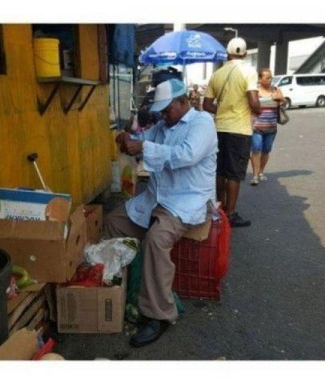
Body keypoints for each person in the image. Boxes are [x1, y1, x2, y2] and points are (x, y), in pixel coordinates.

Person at [106, 78, 217, 347]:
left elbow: (185, 155)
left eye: (167, 109)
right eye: (162, 111)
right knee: (114, 222)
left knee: (156, 238)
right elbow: (143, 139)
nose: (163, 115)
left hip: (185, 202)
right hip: (157, 198)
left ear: (183, 102)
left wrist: (143, 147)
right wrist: (128, 139)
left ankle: (158, 314)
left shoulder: (202, 123)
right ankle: (119, 287)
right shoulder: (162, 126)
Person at [202, 37, 260, 227]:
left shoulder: (217, 74)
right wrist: (258, 109)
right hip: (239, 130)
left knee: (220, 171)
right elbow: (253, 101)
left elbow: (207, 104)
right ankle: (232, 213)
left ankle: (221, 207)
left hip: (219, 129)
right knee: (234, 174)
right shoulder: (249, 71)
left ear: (228, 53)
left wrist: (223, 110)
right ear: (244, 53)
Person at [250, 68, 286, 186]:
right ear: (260, 79)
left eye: (271, 77)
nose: (270, 80)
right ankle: (255, 175)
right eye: (267, 78)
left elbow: (284, 103)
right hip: (257, 126)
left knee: (266, 150)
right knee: (256, 149)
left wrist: (280, 99)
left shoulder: (276, 90)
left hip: (271, 127)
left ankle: (261, 172)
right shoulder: (254, 92)